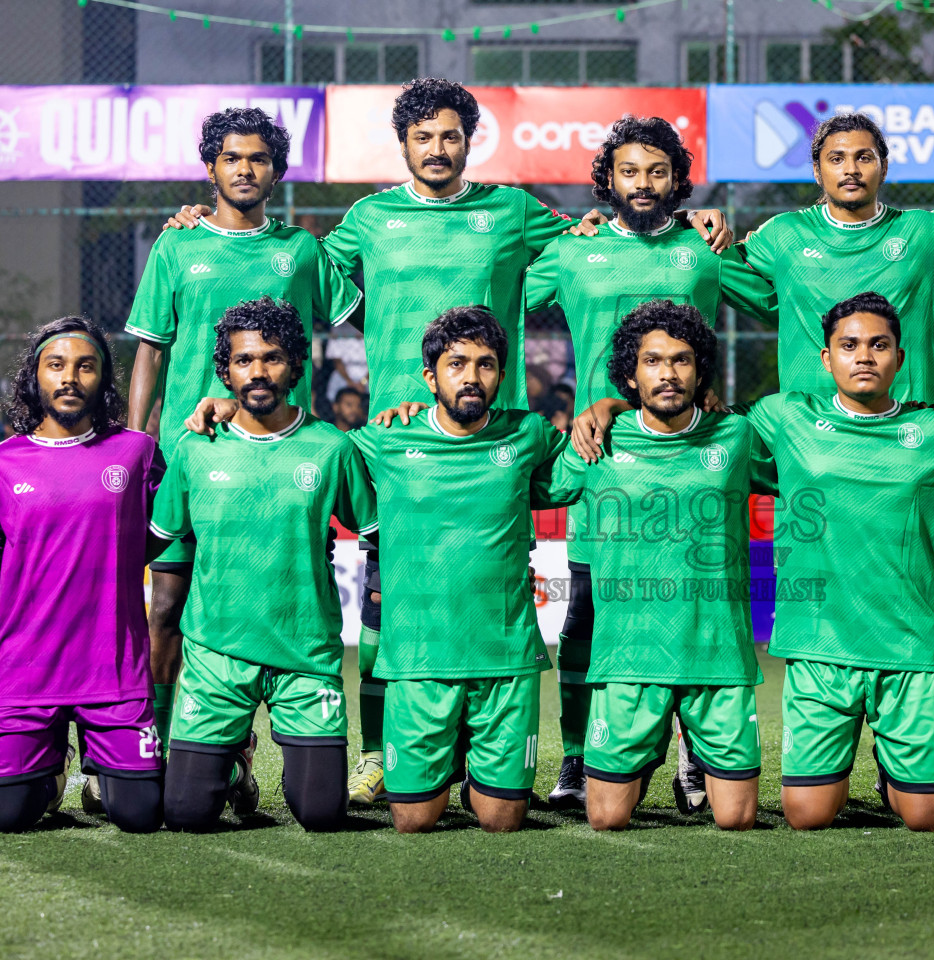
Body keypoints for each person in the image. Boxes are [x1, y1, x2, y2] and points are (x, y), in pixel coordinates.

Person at [175, 80, 730, 808]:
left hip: (493, 442)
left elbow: (617, 229)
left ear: (470, 142)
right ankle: (378, 753)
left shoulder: (514, 212)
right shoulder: (367, 219)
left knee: (497, 593)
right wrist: (203, 220)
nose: (437, 149)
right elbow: (283, 269)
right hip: (402, 442)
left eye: (450, 136)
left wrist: (693, 219)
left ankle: (503, 751)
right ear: (403, 145)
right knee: (382, 604)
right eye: (423, 137)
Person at [576, 293, 934, 832]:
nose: (863, 357)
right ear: (825, 358)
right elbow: (671, 415)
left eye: (878, 345)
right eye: (849, 345)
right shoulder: (782, 418)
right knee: (803, 816)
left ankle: (892, 772)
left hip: (907, 645)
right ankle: (660, 756)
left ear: (900, 359)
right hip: (814, 646)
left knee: (927, 820)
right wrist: (610, 406)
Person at [521, 115, 772, 810]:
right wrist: (543, 405)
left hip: (691, 446)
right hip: (606, 453)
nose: (643, 184)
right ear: (608, 180)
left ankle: (697, 757)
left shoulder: (701, 247)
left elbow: (781, 300)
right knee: (588, 618)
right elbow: (501, 301)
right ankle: (577, 758)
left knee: (694, 601)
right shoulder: (577, 251)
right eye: (629, 171)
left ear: (676, 180)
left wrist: (734, 238)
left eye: (657, 171)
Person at [125, 107, 364, 779]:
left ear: (278, 172)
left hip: (284, 466)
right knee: (166, 608)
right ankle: (155, 747)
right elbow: (150, 351)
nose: (244, 169)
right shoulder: (177, 245)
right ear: (211, 167)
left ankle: (242, 754)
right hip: (188, 458)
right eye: (232, 158)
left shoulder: (304, 251)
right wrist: (141, 444)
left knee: (274, 607)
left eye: (258, 159)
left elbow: (369, 322)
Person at [151, 297, 377, 833]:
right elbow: (157, 544)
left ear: (296, 365)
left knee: (322, 814)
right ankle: (234, 760)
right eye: (244, 359)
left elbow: (376, 539)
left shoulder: (331, 450)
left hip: (305, 658)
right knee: (184, 815)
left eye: (272, 358)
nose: (257, 371)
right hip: (214, 655)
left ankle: (247, 754)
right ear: (224, 371)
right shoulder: (194, 450)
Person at [353, 306, 580, 833]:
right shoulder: (385, 439)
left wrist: (609, 407)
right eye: (457, 364)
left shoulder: (530, 435)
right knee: (411, 820)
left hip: (504, 658)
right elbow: (311, 452)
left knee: (501, 821)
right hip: (417, 659)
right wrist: (227, 413)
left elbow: (590, 460)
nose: (472, 377)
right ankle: (445, 759)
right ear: (430, 376)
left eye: (486, 364)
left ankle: (473, 764)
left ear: (502, 374)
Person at [0, 316, 166, 833]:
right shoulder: (0, 464)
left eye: (85, 366)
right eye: (56, 365)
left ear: (102, 379)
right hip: (25, 673)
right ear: (34, 378)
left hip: (113, 674)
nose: (70, 377)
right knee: (5, 818)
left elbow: (170, 529)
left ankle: (100, 767)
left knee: (138, 816)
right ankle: (53, 765)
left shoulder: (136, 454)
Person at [553, 301, 762, 830]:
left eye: (682, 359)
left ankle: (689, 757)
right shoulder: (595, 442)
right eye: (652, 361)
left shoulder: (738, 438)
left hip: (717, 658)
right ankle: (645, 754)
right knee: (605, 817)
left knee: (735, 819)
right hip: (629, 659)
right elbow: (525, 485)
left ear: (700, 371)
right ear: (630, 374)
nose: (668, 372)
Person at [716, 111, 934, 404]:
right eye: (836, 159)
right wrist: (691, 217)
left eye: (864, 157)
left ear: (883, 169)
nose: (851, 169)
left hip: (907, 432)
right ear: (817, 172)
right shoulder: (783, 234)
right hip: (810, 432)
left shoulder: (921, 232)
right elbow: (710, 261)